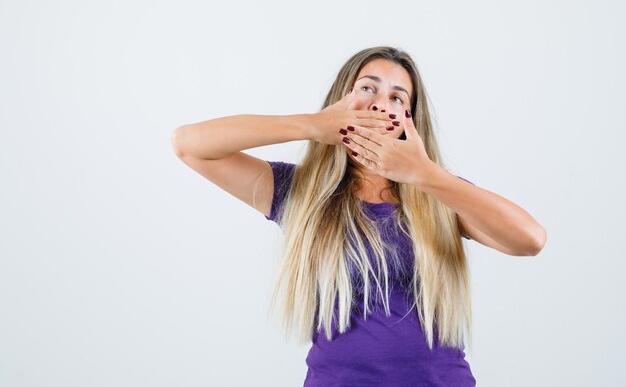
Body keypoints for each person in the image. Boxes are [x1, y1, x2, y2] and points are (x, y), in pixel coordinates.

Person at [171, 46, 547, 387]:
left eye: (398, 98)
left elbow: (530, 240)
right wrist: (310, 125)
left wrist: (424, 174)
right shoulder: (300, 192)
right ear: (343, 99)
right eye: (368, 89)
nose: (381, 104)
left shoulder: (440, 193)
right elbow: (189, 145)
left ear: (408, 120)